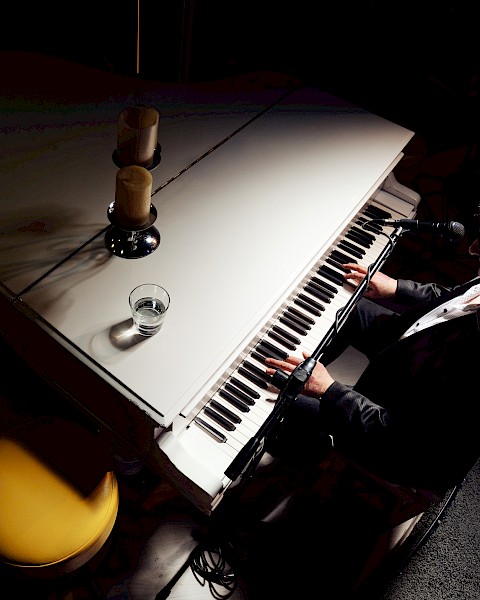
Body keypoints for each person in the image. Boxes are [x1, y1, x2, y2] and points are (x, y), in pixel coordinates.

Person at [264, 235, 480, 495]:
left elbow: (399, 436)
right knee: (344, 308)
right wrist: (398, 287)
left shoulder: (472, 367)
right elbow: (460, 298)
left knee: (278, 402)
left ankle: (298, 463)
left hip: (402, 446)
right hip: (418, 358)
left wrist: (328, 390)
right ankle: (294, 364)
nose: (472, 249)